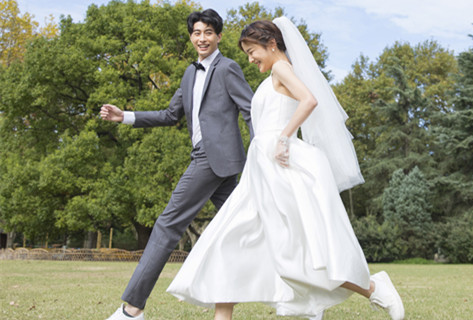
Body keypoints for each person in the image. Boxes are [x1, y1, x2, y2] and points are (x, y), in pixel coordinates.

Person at [165, 17, 405, 320]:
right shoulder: (272, 78)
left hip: (278, 170)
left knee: (300, 254)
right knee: (228, 242)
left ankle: (374, 288)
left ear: (272, 44)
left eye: (252, 51)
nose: (250, 59)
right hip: (259, 173)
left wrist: (284, 137)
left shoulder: (281, 68)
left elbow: (309, 100)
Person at [99, 9, 253, 320]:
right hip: (216, 163)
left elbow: (251, 110)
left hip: (212, 159)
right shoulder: (188, 73)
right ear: (191, 37)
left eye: (208, 32)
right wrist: (125, 116)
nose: (202, 38)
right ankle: (314, 296)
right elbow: (171, 115)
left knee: (167, 225)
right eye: (197, 32)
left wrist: (261, 155)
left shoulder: (228, 68)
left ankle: (132, 310)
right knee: (243, 232)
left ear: (219, 36)